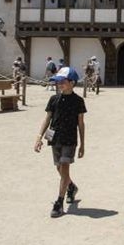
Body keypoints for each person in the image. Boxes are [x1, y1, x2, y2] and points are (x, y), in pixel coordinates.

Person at [33, 67, 87, 218]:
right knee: (59, 169)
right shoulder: (53, 99)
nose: (60, 84)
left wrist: (83, 144)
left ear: (72, 83)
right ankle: (71, 187)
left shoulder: (78, 101)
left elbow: (81, 124)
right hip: (54, 137)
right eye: (58, 82)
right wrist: (39, 136)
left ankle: (59, 202)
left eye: (63, 81)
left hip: (70, 139)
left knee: (64, 168)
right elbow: (47, 118)